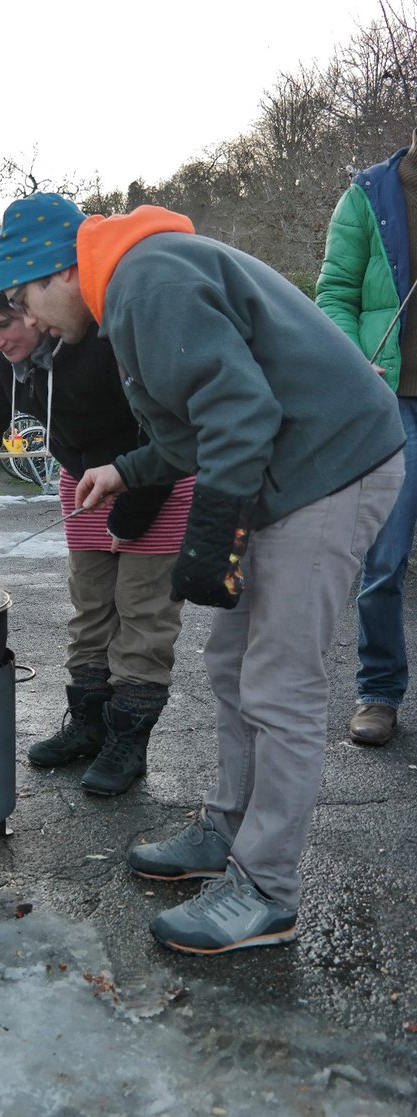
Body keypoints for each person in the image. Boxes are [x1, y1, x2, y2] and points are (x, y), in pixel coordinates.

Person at [0, 192, 405, 955]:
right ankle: (227, 831)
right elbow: (198, 424)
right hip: (294, 470)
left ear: (58, 271)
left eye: (24, 300)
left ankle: (268, 891)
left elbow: (241, 415)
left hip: (333, 467)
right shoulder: (132, 286)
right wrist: (127, 468)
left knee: (280, 681)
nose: (31, 321)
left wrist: (214, 538)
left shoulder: (148, 280)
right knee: (230, 662)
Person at [0, 231, 194, 796]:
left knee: (143, 616)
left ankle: (128, 740)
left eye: (3, 325)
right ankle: (89, 725)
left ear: (30, 304)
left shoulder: (102, 332)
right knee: (90, 609)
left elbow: (171, 422)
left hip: (159, 475)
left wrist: (137, 500)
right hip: (85, 482)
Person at [316, 130, 417, 747]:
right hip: (392, 405)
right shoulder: (368, 194)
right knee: (384, 559)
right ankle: (379, 692)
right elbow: (333, 295)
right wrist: (356, 360)